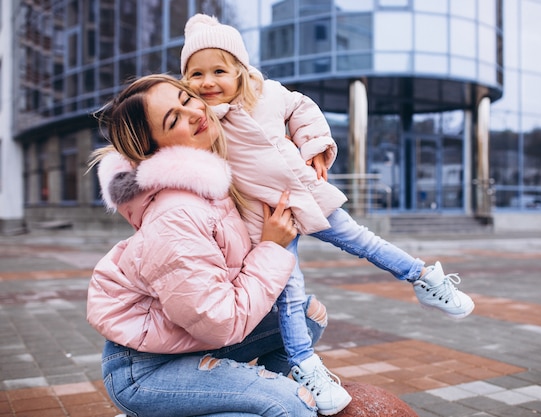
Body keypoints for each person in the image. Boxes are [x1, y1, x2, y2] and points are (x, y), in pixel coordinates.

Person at [179, 14, 476, 416]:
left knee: (362, 239)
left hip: (307, 193)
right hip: (267, 220)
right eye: (196, 73)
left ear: (240, 71)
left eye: (218, 70)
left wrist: (315, 144)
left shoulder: (268, 94)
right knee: (290, 293)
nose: (207, 81)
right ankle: (305, 366)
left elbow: (303, 108)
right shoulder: (201, 122)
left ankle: (425, 278)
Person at [86, 74, 327, 417]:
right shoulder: (177, 214)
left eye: (186, 100)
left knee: (307, 316)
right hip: (145, 370)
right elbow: (220, 321)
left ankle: (230, 397)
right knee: (291, 405)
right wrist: (272, 249)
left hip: (184, 339)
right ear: (155, 149)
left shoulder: (213, 182)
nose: (195, 113)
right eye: (174, 119)